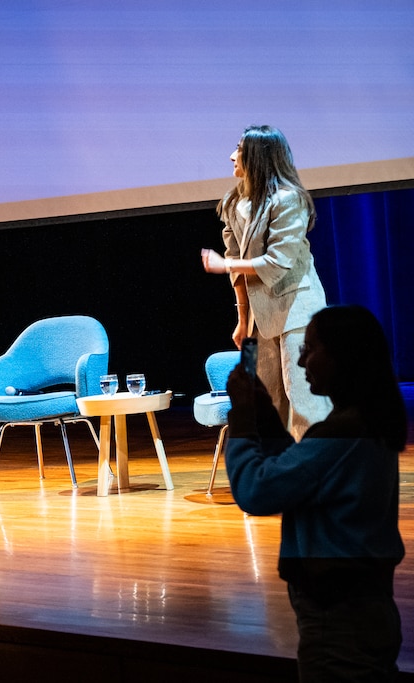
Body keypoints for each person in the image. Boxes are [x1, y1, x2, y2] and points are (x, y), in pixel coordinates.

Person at [224, 304, 406, 681]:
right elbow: (298, 476)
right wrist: (268, 418)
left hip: (339, 621)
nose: (302, 359)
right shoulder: (364, 424)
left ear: (342, 356)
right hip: (362, 610)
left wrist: (242, 418)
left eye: (310, 349)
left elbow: (256, 490)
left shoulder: (342, 434)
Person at [201, 125, 331, 440]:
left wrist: (224, 263)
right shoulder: (234, 201)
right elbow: (238, 268)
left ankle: (319, 473)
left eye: (240, 150)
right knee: (268, 401)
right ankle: (281, 474)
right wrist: (243, 320)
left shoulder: (288, 199)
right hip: (261, 316)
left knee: (302, 396)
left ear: (259, 157)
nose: (232, 156)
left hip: (297, 308)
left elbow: (276, 264)